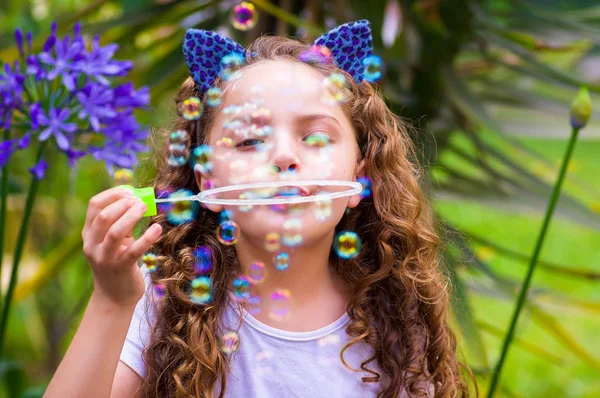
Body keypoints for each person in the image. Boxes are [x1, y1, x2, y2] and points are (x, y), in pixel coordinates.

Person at [46, 20, 469, 398]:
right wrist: (111, 299)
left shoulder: (390, 316)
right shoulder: (163, 300)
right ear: (207, 182)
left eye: (316, 138)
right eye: (249, 141)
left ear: (359, 178)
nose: (284, 157)